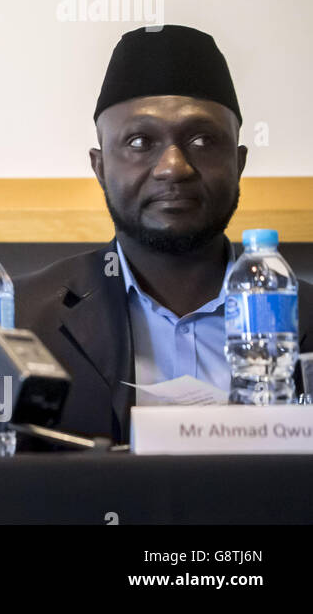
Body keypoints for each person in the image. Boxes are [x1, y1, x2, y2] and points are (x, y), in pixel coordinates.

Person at [16, 25, 312, 443]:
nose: (174, 166)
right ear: (100, 168)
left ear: (239, 161)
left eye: (202, 139)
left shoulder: (307, 317)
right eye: (140, 141)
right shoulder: (20, 321)